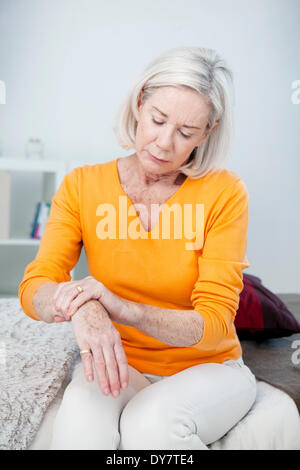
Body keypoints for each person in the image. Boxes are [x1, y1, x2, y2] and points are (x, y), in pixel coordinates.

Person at [18, 46, 257, 450]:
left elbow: (215, 321)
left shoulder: (225, 193)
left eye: (185, 133)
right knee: (79, 428)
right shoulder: (82, 186)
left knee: (151, 426)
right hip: (121, 364)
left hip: (209, 368)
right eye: (157, 120)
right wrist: (84, 306)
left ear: (207, 132)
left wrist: (120, 307)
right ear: (140, 103)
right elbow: (35, 286)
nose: (164, 143)